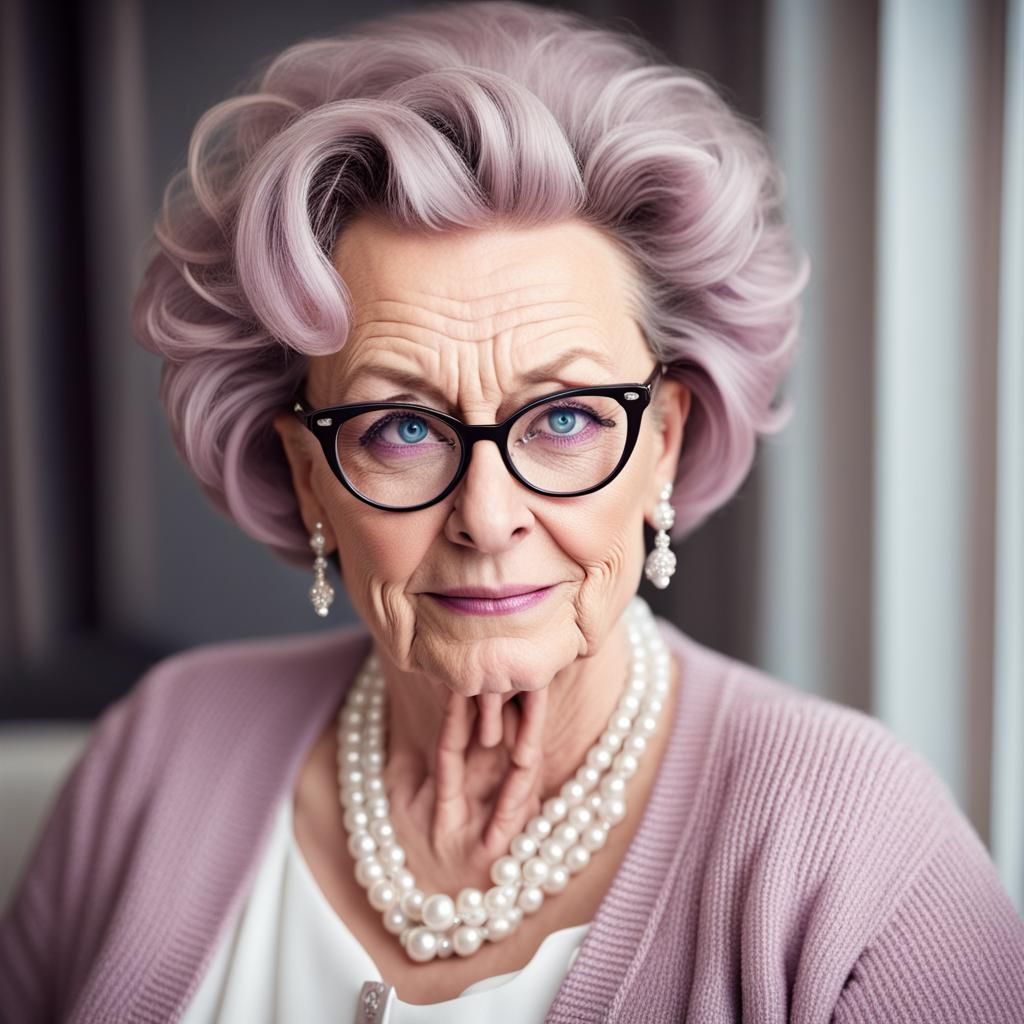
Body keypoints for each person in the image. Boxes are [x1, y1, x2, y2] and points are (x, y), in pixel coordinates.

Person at [2, 2, 1023, 1022]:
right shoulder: (158, 753)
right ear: (310, 475)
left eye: (566, 417)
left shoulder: (858, 851)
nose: (487, 519)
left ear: (663, 443)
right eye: (400, 428)